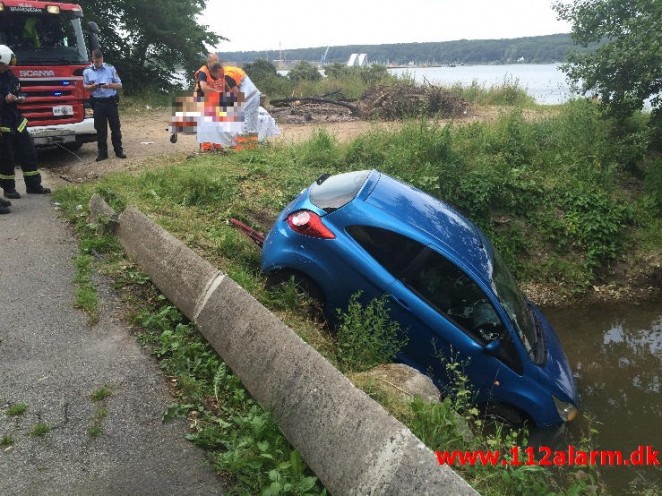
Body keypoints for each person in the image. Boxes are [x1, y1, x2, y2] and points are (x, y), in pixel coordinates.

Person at [0, 44, 51, 200]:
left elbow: (20, 93)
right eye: (6, 64)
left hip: (17, 119)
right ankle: (9, 189)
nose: (8, 67)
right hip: (2, 121)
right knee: (6, 156)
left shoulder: (11, 77)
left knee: (29, 152)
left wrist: (20, 98)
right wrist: (3, 99)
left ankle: (33, 185)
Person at [83, 49, 126, 162]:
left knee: (115, 128)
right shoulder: (87, 71)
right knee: (100, 130)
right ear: (92, 60)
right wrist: (93, 86)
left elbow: (119, 85)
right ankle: (102, 153)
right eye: (96, 62)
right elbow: (85, 87)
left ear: (102, 59)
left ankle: (119, 151)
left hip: (110, 102)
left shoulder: (110, 69)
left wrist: (109, 85)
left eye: (100, 61)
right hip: (98, 103)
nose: (98, 63)